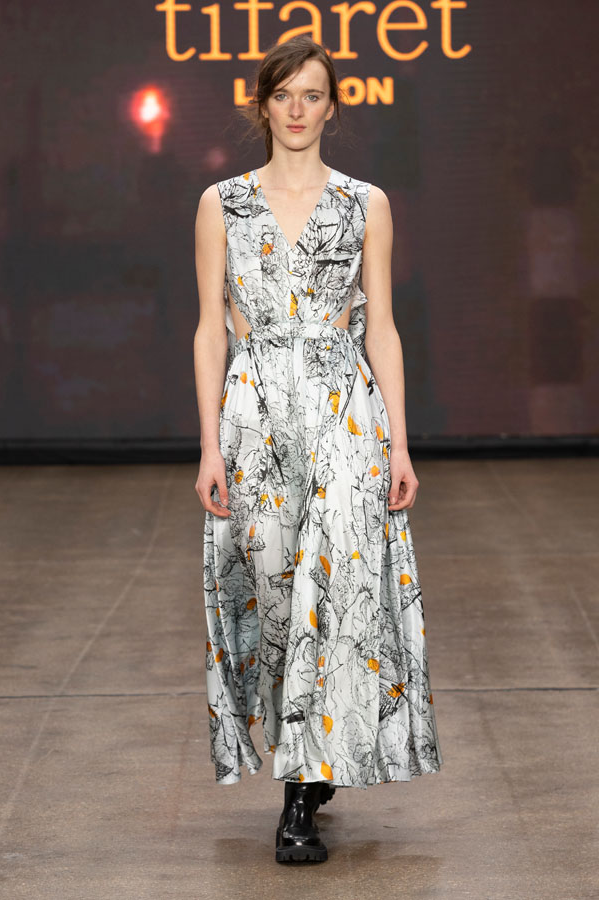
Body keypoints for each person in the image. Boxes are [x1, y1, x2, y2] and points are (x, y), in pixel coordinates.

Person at [193, 34, 443, 864]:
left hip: (345, 413)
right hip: (254, 412)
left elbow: (383, 327)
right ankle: (308, 745)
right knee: (270, 591)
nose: (297, 109)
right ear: (262, 105)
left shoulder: (365, 203)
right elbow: (209, 329)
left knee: (332, 594)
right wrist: (209, 447)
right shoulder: (222, 203)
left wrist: (399, 444)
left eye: (312, 94)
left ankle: (300, 790)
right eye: (283, 94)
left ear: (333, 107)